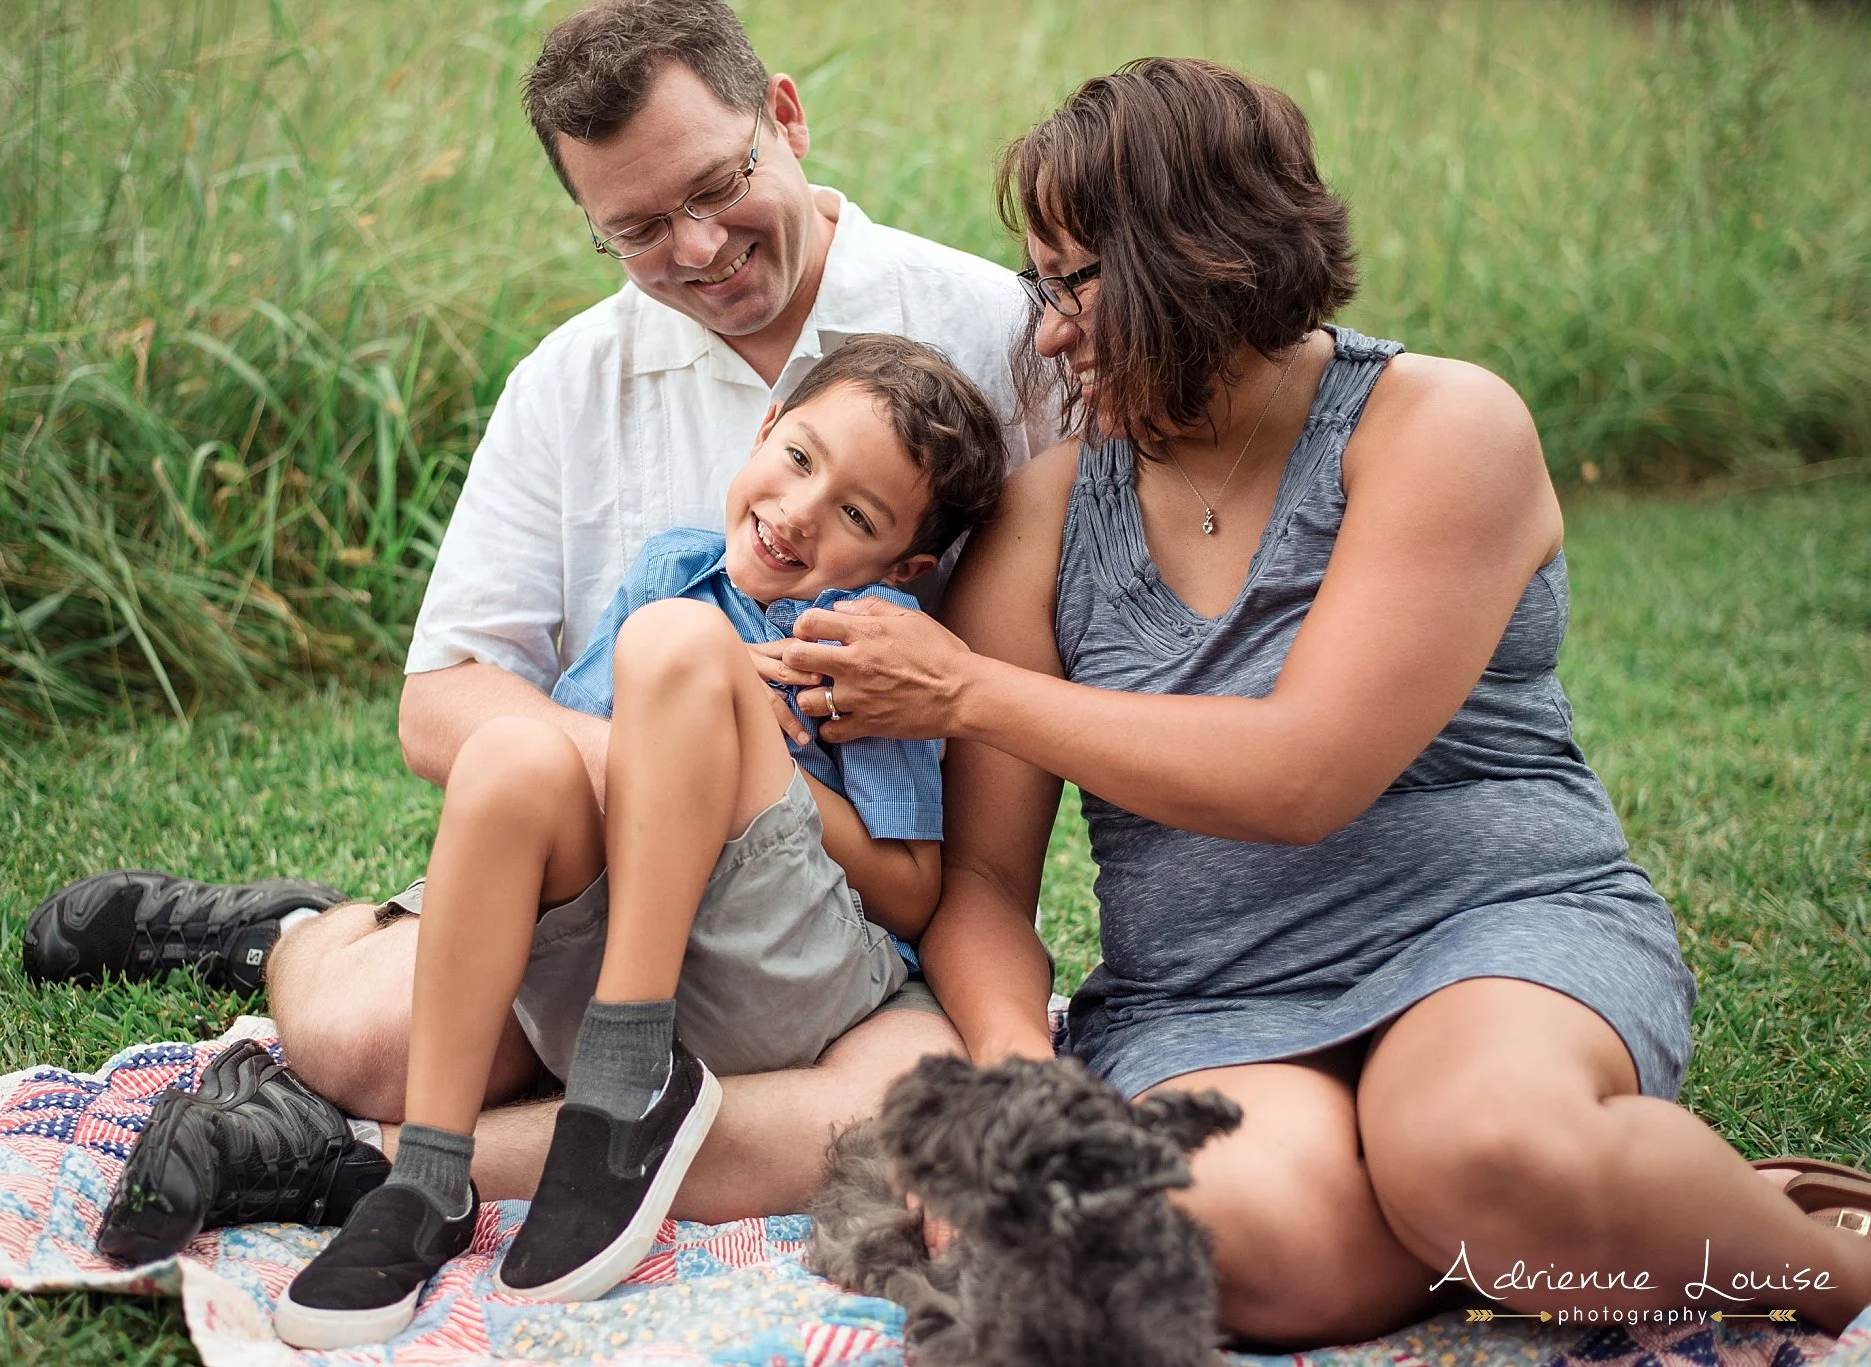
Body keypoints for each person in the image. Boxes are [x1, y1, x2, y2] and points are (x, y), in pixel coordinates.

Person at [771, 58, 1871, 1347]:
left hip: (1488, 929)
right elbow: (981, 887)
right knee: (1266, 1258)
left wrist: (971, 692)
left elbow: (1304, 772)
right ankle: (1563, 1229)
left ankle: (1814, 1260)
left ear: (1202, 261)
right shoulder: (1052, 508)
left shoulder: (1437, 427)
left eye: (1074, 282)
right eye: (1037, 283)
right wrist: (1018, 1080)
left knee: (1481, 1151)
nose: (1048, 330)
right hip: (1207, 997)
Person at [23, 0, 1046, 1237]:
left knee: (889, 1117)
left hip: (830, 930)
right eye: (637, 226)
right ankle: (293, 936)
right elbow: (444, 697)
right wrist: (678, 771)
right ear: (589, 224)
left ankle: (360, 1159)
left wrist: (751, 796)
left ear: (783, 114)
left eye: (718, 183)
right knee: (365, 1035)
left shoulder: (996, 334)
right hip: (594, 870)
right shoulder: (568, 381)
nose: (702, 243)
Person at [269, 335, 1004, 1347]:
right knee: (512, 757)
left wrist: (750, 748)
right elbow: (580, 771)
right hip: (627, 939)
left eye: (856, 515)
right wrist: (681, 737)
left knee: (672, 642)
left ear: (904, 563)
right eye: (797, 459)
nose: (797, 511)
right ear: (763, 430)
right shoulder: (672, 567)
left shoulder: (869, 638)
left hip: (783, 971)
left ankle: (622, 1092)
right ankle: (426, 1178)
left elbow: (912, 892)